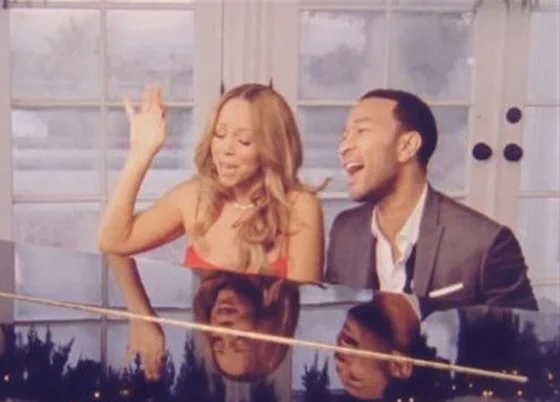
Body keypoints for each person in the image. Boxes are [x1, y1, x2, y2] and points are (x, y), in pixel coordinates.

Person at [324, 88, 538, 315]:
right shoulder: (345, 231)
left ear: (407, 146)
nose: (344, 147)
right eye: (344, 136)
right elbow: (334, 319)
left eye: (361, 131)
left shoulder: (485, 243)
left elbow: (523, 333)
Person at [97, 83, 325, 282]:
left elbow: (303, 308)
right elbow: (113, 242)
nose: (226, 149)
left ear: (273, 147)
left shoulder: (299, 206)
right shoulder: (193, 198)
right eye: (219, 134)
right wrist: (140, 153)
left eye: (244, 140)